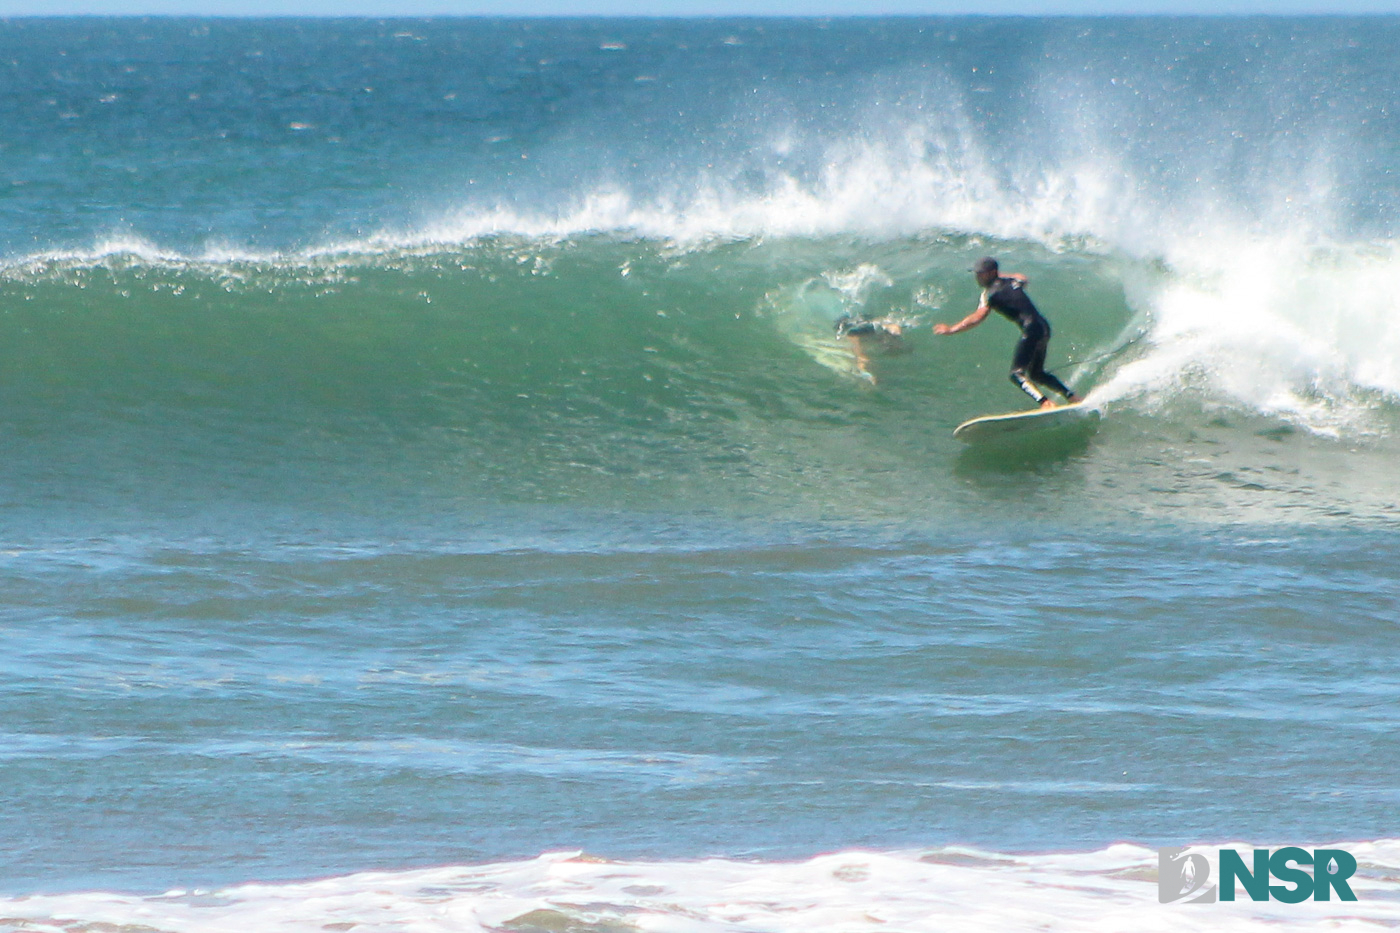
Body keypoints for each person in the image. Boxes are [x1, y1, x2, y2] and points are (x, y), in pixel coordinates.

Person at [933, 257, 1083, 409]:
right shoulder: (1014, 282)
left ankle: (1046, 403)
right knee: (1037, 374)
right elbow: (1023, 278)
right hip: (1043, 327)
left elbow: (978, 317)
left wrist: (952, 329)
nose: (977, 277)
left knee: (1016, 375)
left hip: (1031, 329)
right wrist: (999, 275)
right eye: (977, 273)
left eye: (981, 273)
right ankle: (1073, 397)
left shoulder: (989, 295)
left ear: (991, 273)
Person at [835, 314, 906, 383]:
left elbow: (861, 359)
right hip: (858, 325)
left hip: (860, 325)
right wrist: (869, 377)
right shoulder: (854, 334)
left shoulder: (857, 334)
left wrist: (869, 376)